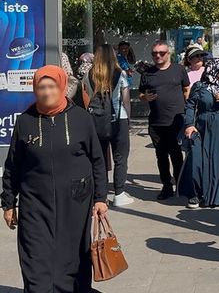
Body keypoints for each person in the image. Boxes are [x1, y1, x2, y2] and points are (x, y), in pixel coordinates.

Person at [2, 65, 108, 292]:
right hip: (35, 203)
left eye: (51, 86)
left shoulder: (81, 118)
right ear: (35, 89)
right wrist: (8, 203)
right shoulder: (25, 121)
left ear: (61, 88)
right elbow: (12, 165)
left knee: (72, 254)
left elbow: (97, 161)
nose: (46, 92)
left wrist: (100, 198)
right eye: (41, 87)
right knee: (35, 254)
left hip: (75, 202)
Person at [179, 59, 219, 209]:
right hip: (201, 127)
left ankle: (216, 196)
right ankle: (195, 193)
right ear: (213, 71)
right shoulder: (200, 87)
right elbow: (190, 105)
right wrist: (189, 125)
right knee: (197, 159)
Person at [140, 40, 190, 200]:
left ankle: (181, 185)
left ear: (168, 54)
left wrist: (188, 112)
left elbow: (186, 89)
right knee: (161, 156)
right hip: (156, 123)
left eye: (161, 53)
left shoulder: (179, 70)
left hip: (176, 121)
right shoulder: (147, 73)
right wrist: (144, 97)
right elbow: (141, 94)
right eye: (154, 54)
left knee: (176, 155)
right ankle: (166, 186)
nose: (158, 56)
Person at [89, 44, 134, 207]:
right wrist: (128, 119)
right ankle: (119, 193)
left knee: (99, 158)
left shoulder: (89, 75)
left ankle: (99, 196)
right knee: (120, 157)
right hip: (118, 119)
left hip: (96, 121)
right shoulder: (119, 73)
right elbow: (126, 99)